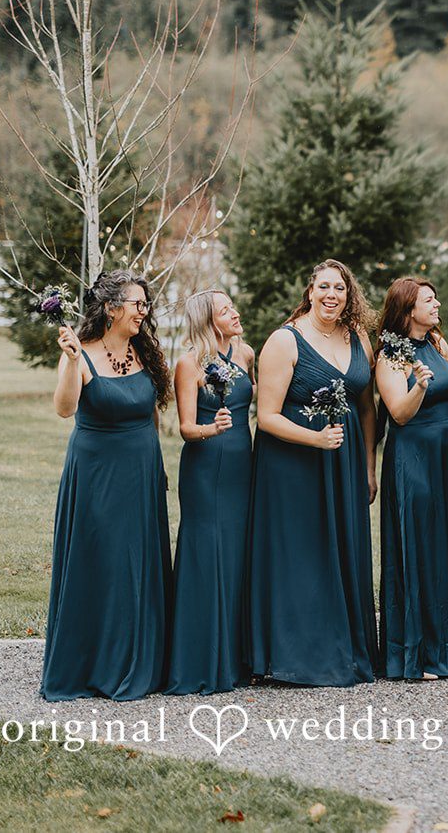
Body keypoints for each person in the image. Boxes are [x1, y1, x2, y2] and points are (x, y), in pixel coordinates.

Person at [247, 259, 381, 687]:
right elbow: (265, 417)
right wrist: (316, 440)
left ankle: (346, 647)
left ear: (349, 294)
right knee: (303, 554)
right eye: (323, 286)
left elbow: (366, 406)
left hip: (343, 460)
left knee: (342, 548)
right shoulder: (285, 342)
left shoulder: (359, 336)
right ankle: (298, 655)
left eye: (339, 288)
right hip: (293, 463)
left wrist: (369, 467)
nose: (331, 295)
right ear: (309, 292)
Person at [41, 270, 173, 702]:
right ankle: (95, 664)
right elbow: (64, 409)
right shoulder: (82, 354)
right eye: (138, 304)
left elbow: (149, 411)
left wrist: (158, 469)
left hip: (141, 474)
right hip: (98, 477)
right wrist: (72, 361)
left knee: (137, 565)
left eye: (145, 304)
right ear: (112, 307)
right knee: (104, 563)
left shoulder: (144, 353)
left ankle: (140, 659)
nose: (144, 311)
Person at [375, 277, 448, 680]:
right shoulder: (391, 356)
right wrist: (420, 385)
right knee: (419, 544)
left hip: (445, 455)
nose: (437, 303)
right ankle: (418, 654)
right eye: (429, 299)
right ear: (408, 309)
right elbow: (399, 414)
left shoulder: (437, 342)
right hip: (413, 457)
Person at [167, 290, 255, 696]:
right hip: (205, 465)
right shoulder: (189, 364)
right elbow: (185, 428)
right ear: (208, 320)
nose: (235, 313)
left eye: (233, 306)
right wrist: (212, 428)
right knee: (207, 549)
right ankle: (200, 659)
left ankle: (235, 657)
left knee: (237, 552)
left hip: (242, 463)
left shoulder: (247, 354)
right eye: (226, 310)